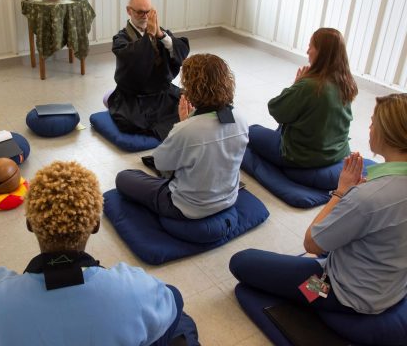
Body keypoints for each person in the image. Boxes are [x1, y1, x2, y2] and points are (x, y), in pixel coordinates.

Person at [0, 161, 197, 346]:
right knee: (175, 301)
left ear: (30, 224)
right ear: (96, 225)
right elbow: (166, 302)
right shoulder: (138, 290)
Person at [230, 93, 407, 319]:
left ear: (389, 133)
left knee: (243, 262)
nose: (370, 127)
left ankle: (315, 300)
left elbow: (311, 243)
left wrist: (341, 192)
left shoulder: (369, 197)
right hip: (391, 287)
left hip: (346, 294)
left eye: (374, 122)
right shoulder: (376, 191)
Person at [116, 54, 248, 220]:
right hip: (228, 199)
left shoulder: (186, 130)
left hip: (186, 208)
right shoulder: (241, 119)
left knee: (124, 177)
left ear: (192, 88)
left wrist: (182, 125)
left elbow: (161, 163)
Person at [247, 27, 358, 168]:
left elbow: (275, 109)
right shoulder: (346, 82)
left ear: (321, 53)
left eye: (310, 47)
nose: (307, 51)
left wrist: (297, 84)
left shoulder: (310, 86)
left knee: (251, 130)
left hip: (301, 157)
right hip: (337, 152)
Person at [106, 0, 190, 140]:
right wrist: (149, 36)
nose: (145, 16)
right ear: (129, 11)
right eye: (140, 12)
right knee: (130, 123)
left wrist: (162, 36)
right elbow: (134, 59)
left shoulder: (159, 31)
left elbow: (182, 51)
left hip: (162, 92)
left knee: (192, 103)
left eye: (148, 12)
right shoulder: (120, 39)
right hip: (135, 97)